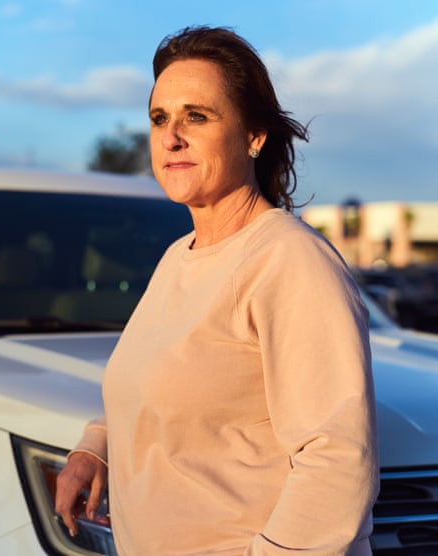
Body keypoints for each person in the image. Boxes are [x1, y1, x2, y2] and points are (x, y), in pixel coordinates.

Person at [56, 26, 379, 555]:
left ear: (254, 136)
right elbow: (158, 391)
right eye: (159, 118)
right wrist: (97, 450)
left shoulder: (288, 260)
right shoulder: (178, 256)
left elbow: (338, 457)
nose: (171, 137)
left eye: (196, 117)